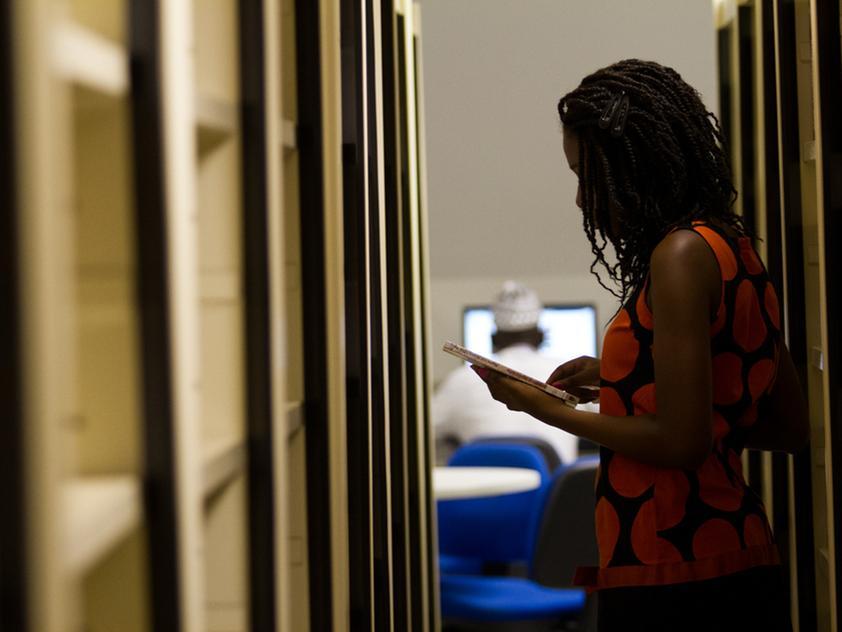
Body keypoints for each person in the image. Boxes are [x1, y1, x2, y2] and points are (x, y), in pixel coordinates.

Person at [471, 59, 809, 631]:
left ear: (636, 166)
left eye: (587, 176)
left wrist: (542, 408)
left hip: (676, 568)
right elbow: (779, 420)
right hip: (732, 554)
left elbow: (680, 441)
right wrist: (618, 378)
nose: (582, 200)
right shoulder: (732, 248)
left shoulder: (678, 257)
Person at [432, 280, 580, 465]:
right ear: (541, 336)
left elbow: (421, 432)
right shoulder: (570, 378)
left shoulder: (460, 379)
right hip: (554, 493)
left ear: (493, 338)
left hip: (484, 491)